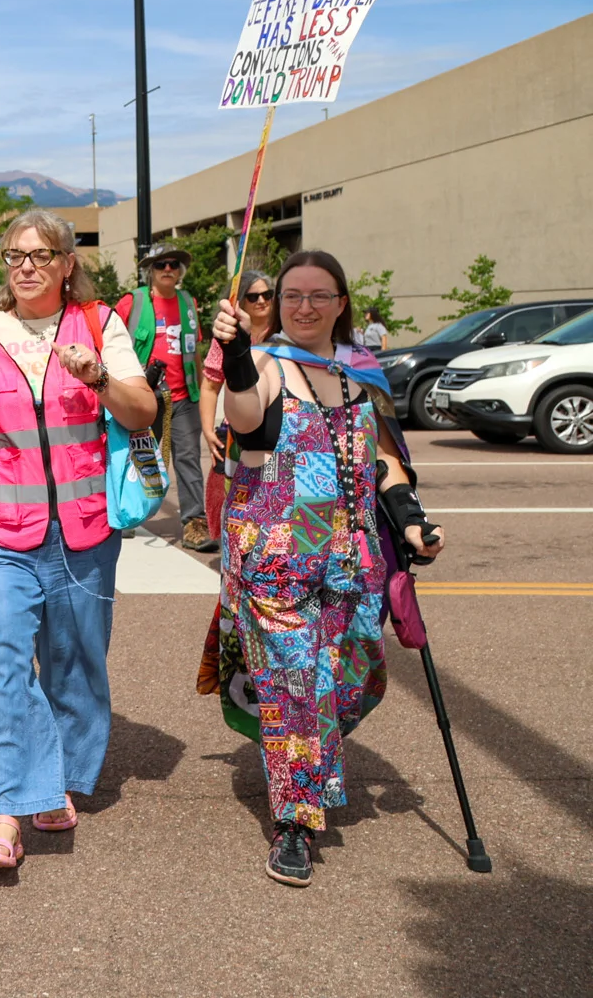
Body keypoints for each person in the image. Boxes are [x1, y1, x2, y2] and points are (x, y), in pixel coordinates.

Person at [0, 210, 156, 872]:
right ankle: (5, 812)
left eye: (42, 254)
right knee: (0, 658)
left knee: (76, 661)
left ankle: (61, 779)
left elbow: (144, 409)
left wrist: (99, 378)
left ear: (66, 264)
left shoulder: (97, 325)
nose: (26, 266)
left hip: (83, 528)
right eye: (16, 255)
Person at [212, 250, 443, 887]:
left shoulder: (362, 374)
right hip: (275, 554)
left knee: (351, 678)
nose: (304, 306)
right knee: (295, 685)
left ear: (341, 303)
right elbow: (247, 421)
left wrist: (412, 518)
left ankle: (305, 761)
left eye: (319, 295)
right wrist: (235, 354)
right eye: (292, 295)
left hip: (350, 555)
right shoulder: (265, 363)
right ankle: (295, 822)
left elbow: (384, 460)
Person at [116, 243, 207, 549]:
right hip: (143, 395)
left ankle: (195, 523)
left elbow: (195, 352)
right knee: (141, 456)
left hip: (183, 397)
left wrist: (201, 392)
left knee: (189, 458)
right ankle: (131, 515)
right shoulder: (133, 302)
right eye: (160, 264)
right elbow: (110, 345)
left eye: (173, 264)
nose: (168, 269)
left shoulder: (188, 302)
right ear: (150, 271)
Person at [196, 272, 275, 550]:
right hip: (237, 433)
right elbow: (210, 385)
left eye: (268, 295)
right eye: (253, 296)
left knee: (274, 495)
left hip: (277, 430)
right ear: (240, 302)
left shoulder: (285, 334)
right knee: (234, 494)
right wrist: (208, 430)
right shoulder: (227, 336)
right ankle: (236, 549)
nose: (262, 301)